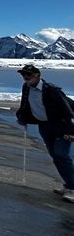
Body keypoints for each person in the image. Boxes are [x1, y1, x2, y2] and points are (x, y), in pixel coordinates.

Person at [15, 64, 74, 203]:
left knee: (62, 155)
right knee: (55, 156)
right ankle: (69, 184)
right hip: (44, 125)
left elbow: (67, 111)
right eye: (23, 75)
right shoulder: (26, 88)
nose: (25, 78)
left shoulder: (51, 90)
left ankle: (73, 187)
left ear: (37, 76)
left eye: (28, 75)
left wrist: (71, 131)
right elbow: (25, 104)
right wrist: (22, 117)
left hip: (61, 126)